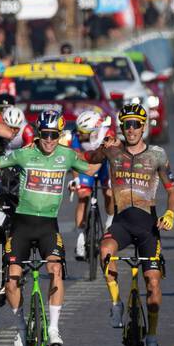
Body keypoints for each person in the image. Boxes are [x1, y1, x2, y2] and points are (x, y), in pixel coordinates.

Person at [0, 110, 101, 346]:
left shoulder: (67, 155)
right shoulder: (25, 153)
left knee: (55, 269)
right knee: (12, 280)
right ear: (38, 133)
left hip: (48, 225)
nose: (49, 140)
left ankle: (54, 328)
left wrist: (111, 152)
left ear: (60, 135)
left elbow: (90, 169)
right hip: (22, 224)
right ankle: (21, 328)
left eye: (54, 135)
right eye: (45, 134)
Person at [99, 100, 174, 346]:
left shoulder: (157, 155)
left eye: (135, 124)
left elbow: (172, 190)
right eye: (126, 124)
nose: (131, 129)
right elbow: (90, 160)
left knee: (153, 282)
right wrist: (103, 147)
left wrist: (169, 214)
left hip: (148, 226)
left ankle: (153, 338)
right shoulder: (114, 152)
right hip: (121, 222)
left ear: (143, 127)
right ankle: (116, 304)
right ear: (121, 127)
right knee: (104, 252)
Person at [72, 109, 113, 259]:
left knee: (109, 192)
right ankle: (81, 237)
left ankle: (110, 221)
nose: (79, 134)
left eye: (83, 131)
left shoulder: (107, 134)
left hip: (105, 163)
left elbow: (112, 158)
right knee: (82, 195)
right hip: (85, 164)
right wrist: (76, 181)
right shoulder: (76, 136)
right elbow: (74, 161)